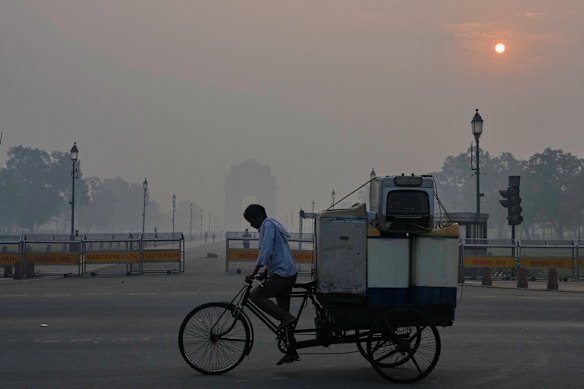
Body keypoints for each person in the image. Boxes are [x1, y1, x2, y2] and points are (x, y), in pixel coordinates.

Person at [243, 204, 299, 365]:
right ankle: (292, 351)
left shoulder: (268, 225)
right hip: (285, 273)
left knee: (256, 296)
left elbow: (266, 251)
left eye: (250, 220)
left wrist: (253, 273)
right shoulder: (271, 225)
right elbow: (276, 253)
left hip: (283, 275)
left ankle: (287, 318)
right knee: (283, 312)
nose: (251, 224)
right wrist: (265, 273)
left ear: (257, 216)